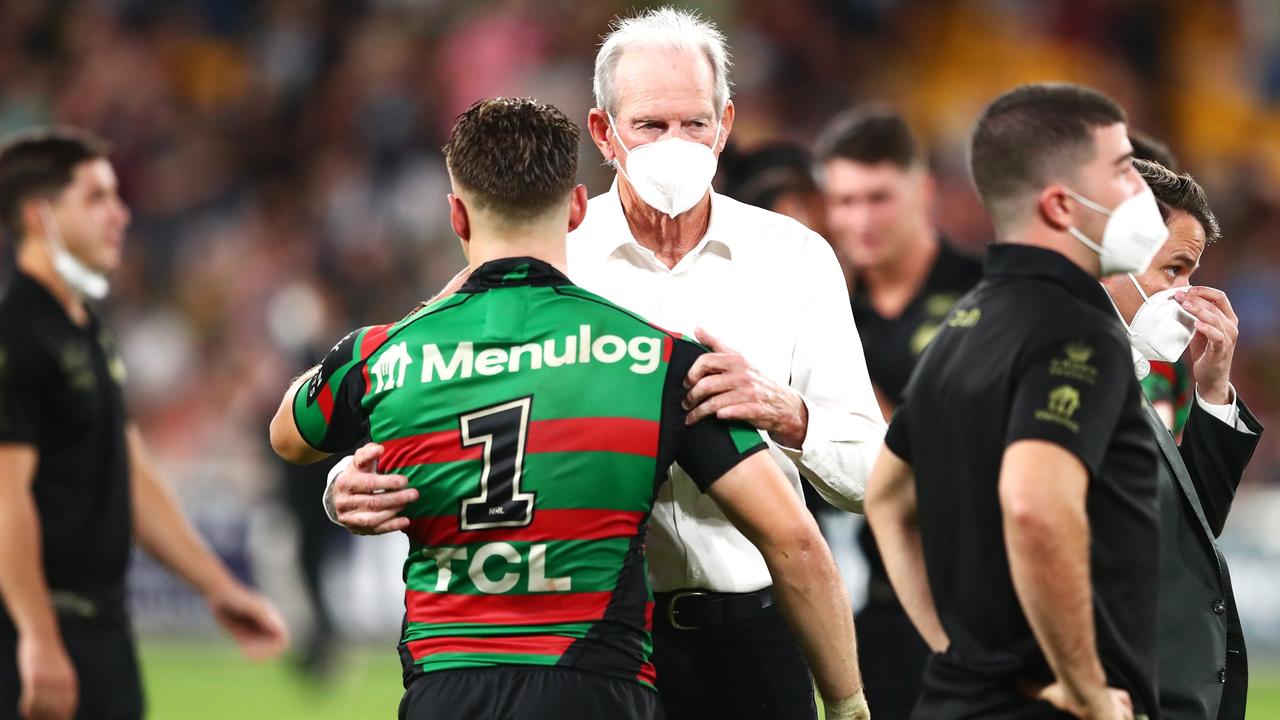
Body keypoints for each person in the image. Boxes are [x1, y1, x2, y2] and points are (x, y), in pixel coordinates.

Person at [324, 9, 885, 720]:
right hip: (605, 644)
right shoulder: (554, 253)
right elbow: (418, 358)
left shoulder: (796, 259)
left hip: (756, 630)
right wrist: (348, 480)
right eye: (650, 126)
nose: (675, 144)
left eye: (695, 123)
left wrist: (789, 413)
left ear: (727, 124)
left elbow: (872, 474)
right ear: (603, 133)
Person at [866, 82, 1165, 720]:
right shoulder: (1078, 329)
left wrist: (955, 652)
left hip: (955, 701)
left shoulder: (963, 324)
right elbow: (1034, 504)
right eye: (1122, 170)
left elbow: (885, 499)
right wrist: (1086, 688)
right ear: (1060, 205)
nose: (1140, 190)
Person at [0, 127, 288, 720]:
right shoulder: (16, 336)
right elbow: (5, 498)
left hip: (102, 632)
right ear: (39, 216)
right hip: (35, 633)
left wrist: (216, 585)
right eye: (97, 198)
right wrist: (38, 634)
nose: (121, 214)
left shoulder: (85, 330)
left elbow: (128, 470)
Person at [812, 104, 984, 720]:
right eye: (845, 200)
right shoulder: (820, 311)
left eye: (878, 197)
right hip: (868, 604)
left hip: (974, 599)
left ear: (923, 190)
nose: (859, 219)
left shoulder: (985, 294)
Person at [1101, 159, 1259, 720]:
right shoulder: (1061, 371)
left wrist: (1213, 388)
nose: (1187, 296)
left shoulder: (1128, 375)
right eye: (1175, 269)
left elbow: (1187, 534)